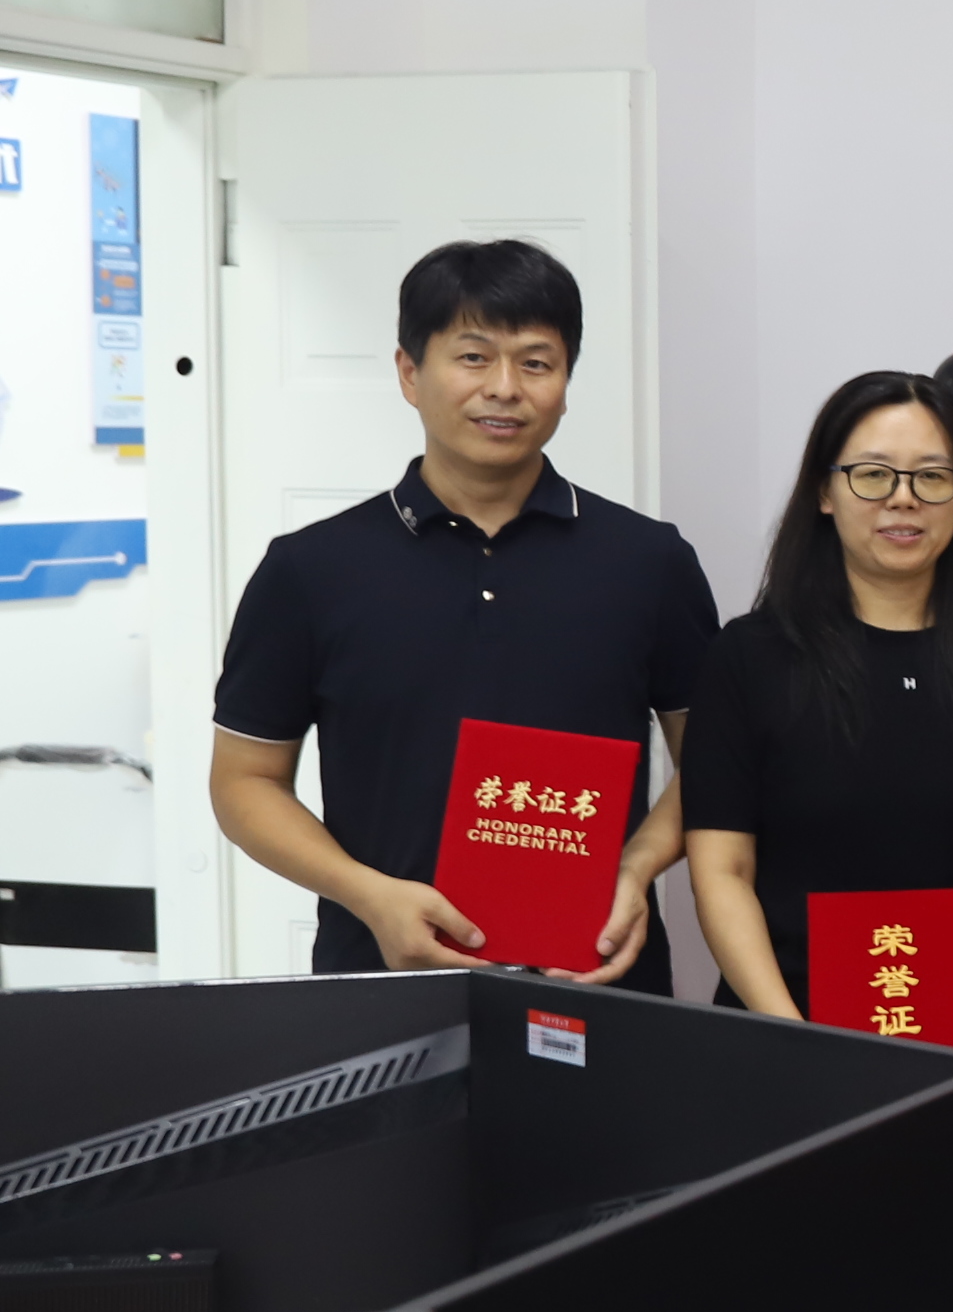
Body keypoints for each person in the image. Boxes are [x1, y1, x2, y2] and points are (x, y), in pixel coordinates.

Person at [212, 239, 718, 989]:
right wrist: (369, 896)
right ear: (410, 373)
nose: (504, 388)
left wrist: (635, 869)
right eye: (474, 357)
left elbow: (716, 762)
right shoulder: (310, 569)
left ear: (566, 382)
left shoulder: (650, 561)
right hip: (382, 979)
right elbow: (244, 781)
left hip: (600, 978)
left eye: (536, 362)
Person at [683, 373, 953, 1051]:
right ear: (824, 492)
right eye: (872, 474)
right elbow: (722, 869)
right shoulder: (750, 656)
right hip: (789, 1032)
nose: (903, 498)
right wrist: (788, 1031)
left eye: (932, 477)